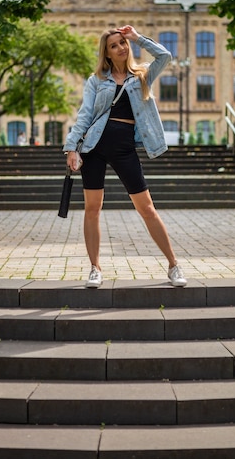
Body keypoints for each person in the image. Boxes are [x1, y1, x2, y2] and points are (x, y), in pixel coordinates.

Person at [63, 25, 187, 289]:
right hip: (93, 147)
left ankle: (174, 265)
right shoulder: (96, 80)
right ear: (106, 53)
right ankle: (95, 268)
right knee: (92, 209)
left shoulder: (141, 75)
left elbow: (165, 56)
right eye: (114, 45)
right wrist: (72, 147)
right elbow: (85, 115)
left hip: (124, 147)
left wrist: (138, 37)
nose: (121, 47)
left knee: (147, 208)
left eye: (123, 43)